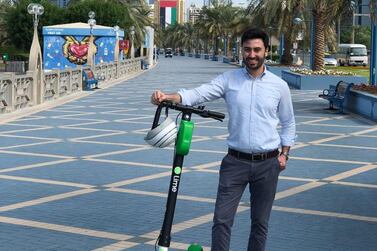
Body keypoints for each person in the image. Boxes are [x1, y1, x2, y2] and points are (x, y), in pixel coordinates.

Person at [150, 28, 296, 251]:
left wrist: (284, 154)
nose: (252, 54)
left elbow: (288, 122)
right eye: (247, 49)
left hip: (268, 164)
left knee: (260, 223)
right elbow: (199, 93)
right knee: (222, 220)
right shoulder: (229, 80)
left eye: (257, 49)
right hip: (235, 163)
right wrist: (168, 97)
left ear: (266, 50)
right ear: (242, 51)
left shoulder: (279, 86)